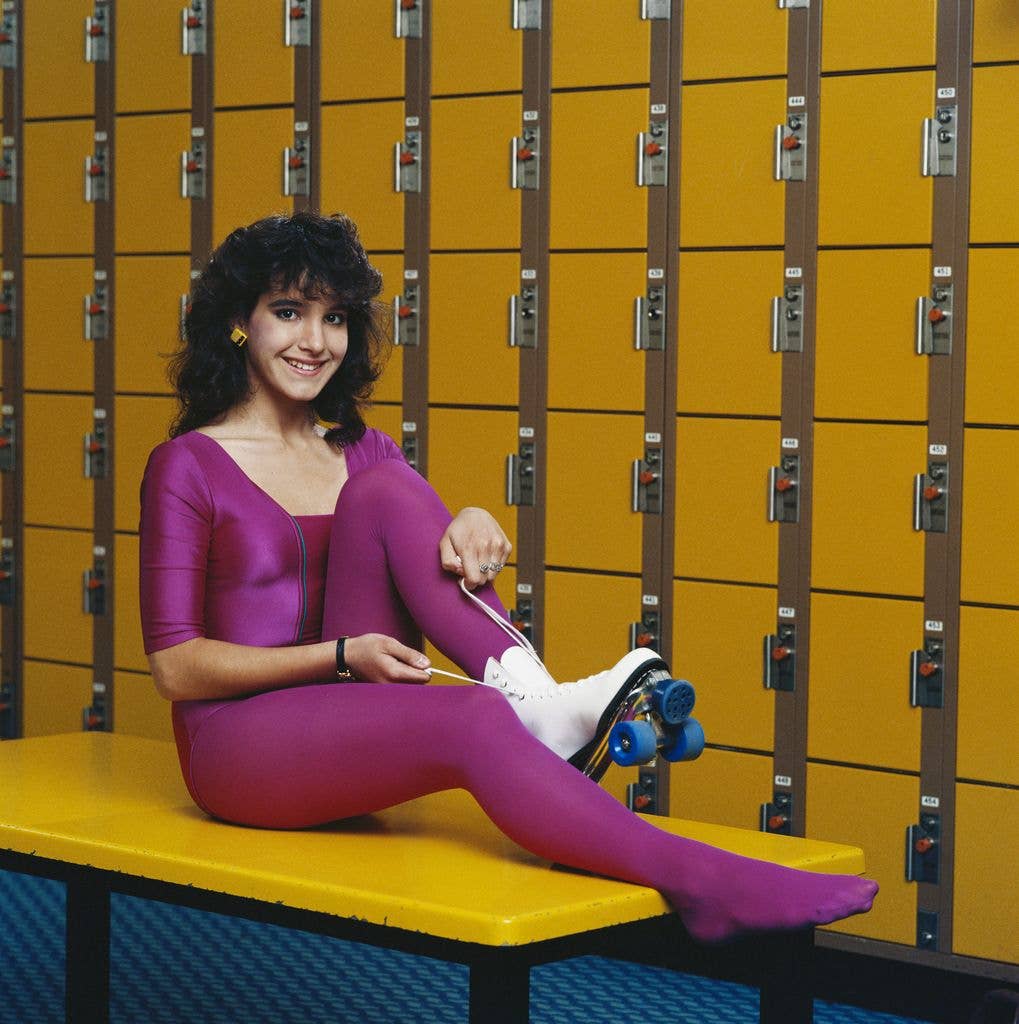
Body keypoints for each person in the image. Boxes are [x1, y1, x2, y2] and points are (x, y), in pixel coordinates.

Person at [139, 211, 877, 945]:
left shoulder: (360, 452)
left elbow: (412, 548)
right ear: (241, 320)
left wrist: (464, 521)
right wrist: (340, 657)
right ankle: (704, 882)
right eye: (289, 312)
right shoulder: (189, 465)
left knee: (391, 487)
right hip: (239, 746)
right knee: (474, 717)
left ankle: (538, 697)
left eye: (334, 318)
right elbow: (175, 667)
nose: (315, 341)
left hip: (343, 714)